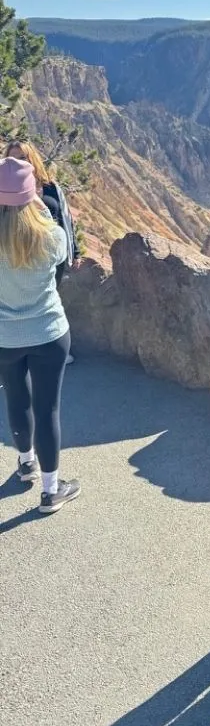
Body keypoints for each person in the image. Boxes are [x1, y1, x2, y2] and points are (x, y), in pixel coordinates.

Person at [0, 157, 79, 513]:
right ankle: (50, 491)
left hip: (5, 338)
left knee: (17, 399)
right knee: (48, 409)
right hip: (49, 332)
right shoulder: (52, 234)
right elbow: (63, 260)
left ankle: (26, 462)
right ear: (32, 194)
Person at [4, 140, 80, 289]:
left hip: (52, 256)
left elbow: (66, 218)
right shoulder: (5, 191)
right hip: (21, 258)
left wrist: (75, 252)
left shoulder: (51, 187)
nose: (17, 163)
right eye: (11, 160)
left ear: (32, 159)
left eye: (22, 158)